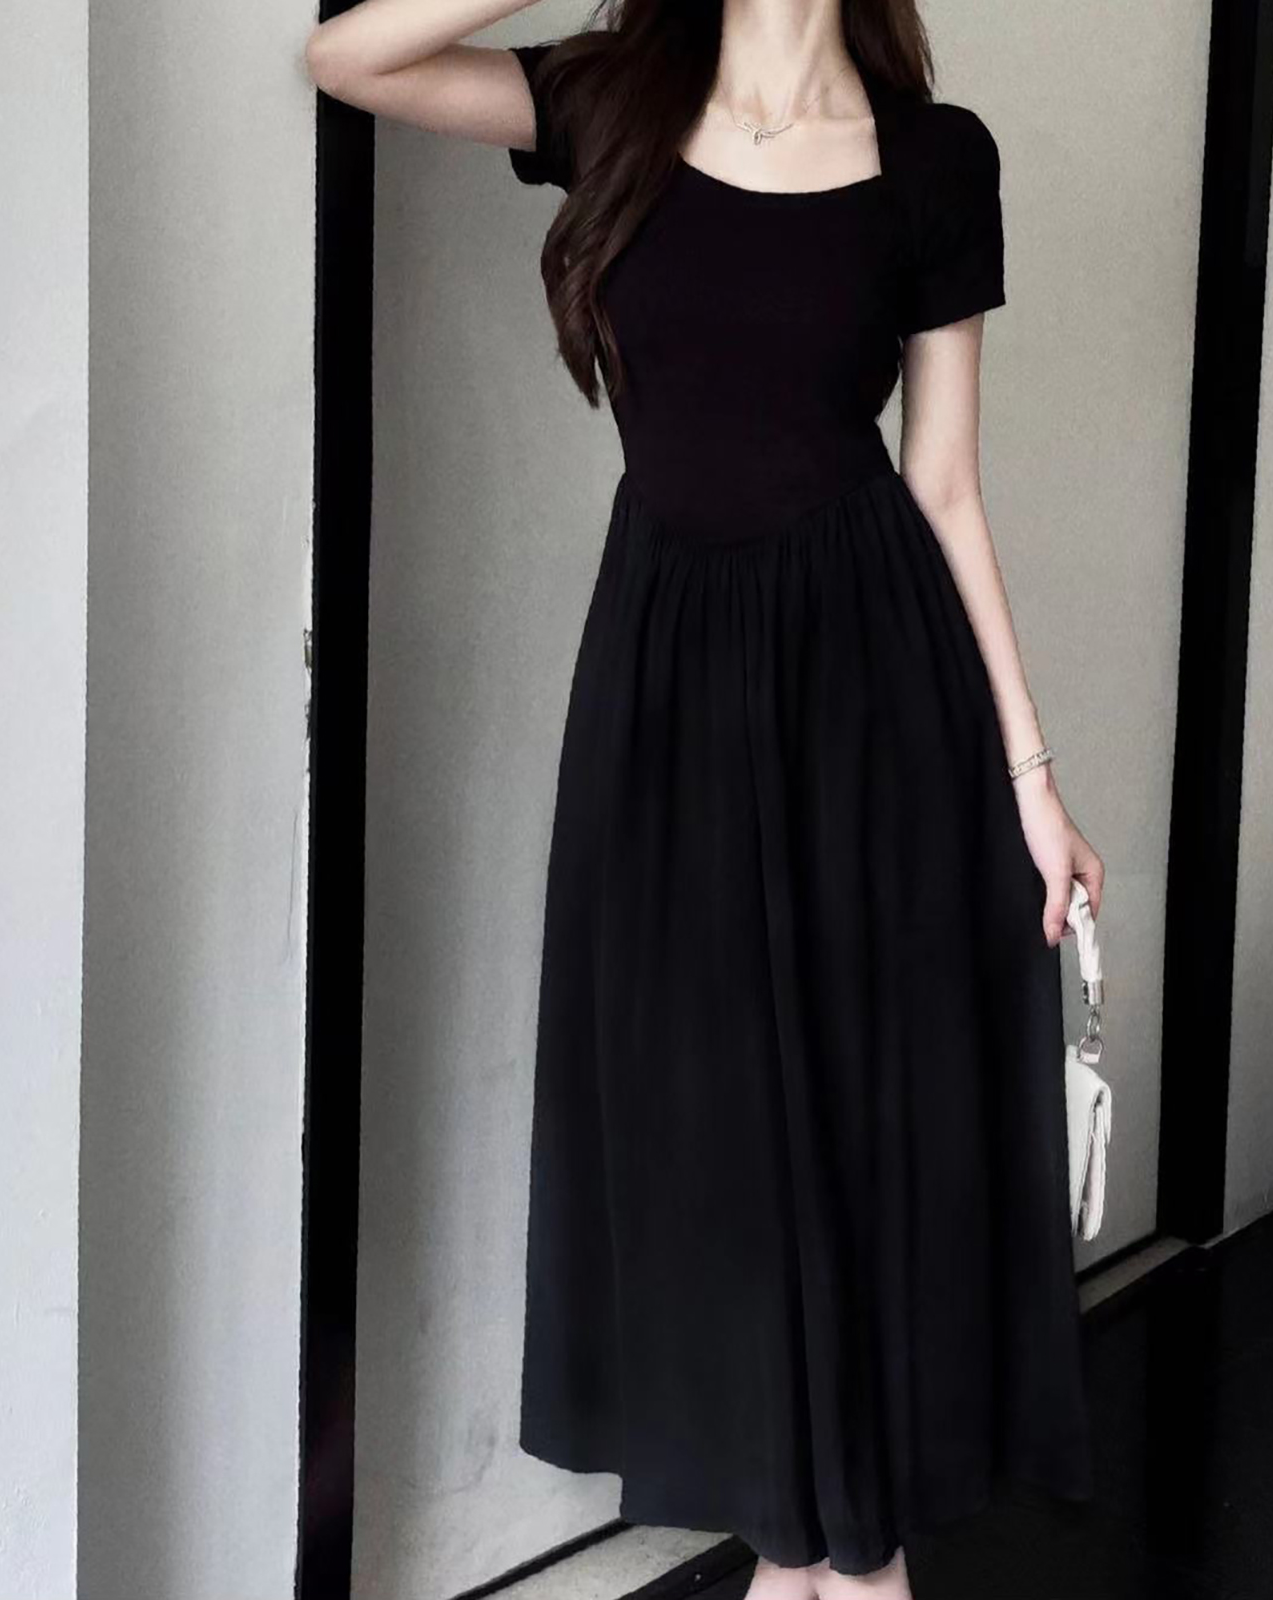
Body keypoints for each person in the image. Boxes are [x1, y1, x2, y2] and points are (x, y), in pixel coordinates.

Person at [304, 2, 1107, 1594]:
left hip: (869, 698)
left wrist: (1031, 774)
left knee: (855, 1143)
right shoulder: (612, 102)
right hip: (666, 692)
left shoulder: (936, 161)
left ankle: (842, 1553)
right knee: (713, 1145)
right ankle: (811, 1551)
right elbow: (351, 57)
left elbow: (945, 482)